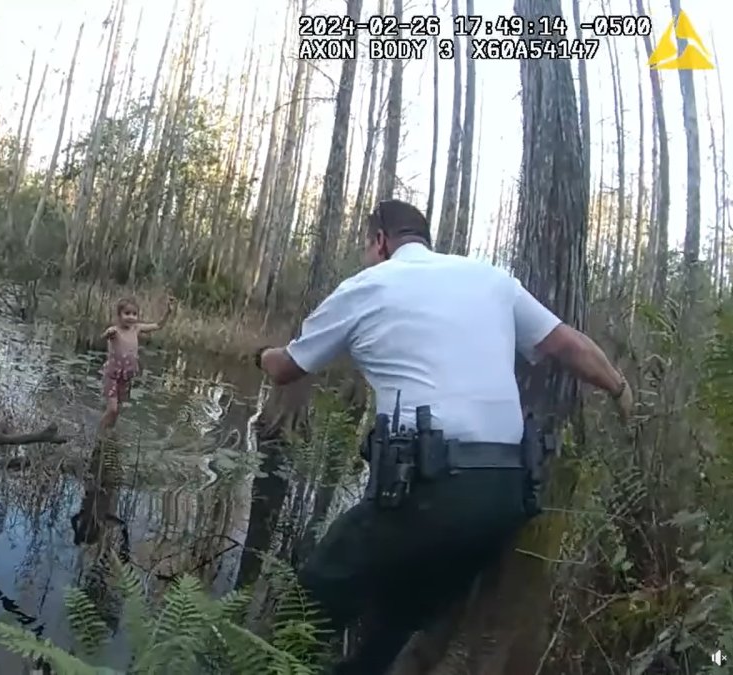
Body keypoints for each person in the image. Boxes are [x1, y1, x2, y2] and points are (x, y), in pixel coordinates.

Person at [255, 199, 633, 674]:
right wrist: (620, 388)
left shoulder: (367, 286)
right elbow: (569, 344)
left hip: (431, 490)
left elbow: (287, 368)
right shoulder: (491, 279)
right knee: (403, 615)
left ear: (379, 241)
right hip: (508, 496)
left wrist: (259, 354)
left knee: (314, 594)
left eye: (367, 245)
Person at [100, 296, 175, 430]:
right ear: (119, 315)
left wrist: (168, 312)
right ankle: (100, 432)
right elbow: (104, 336)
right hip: (113, 375)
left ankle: (109, 433)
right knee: (112, 408)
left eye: (134, 314)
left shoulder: (136, 328)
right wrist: (108, 333)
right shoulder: (114, 331)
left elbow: (158, 325)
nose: (131, 317)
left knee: (117, 410)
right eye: (127, 313)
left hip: (126, 376)